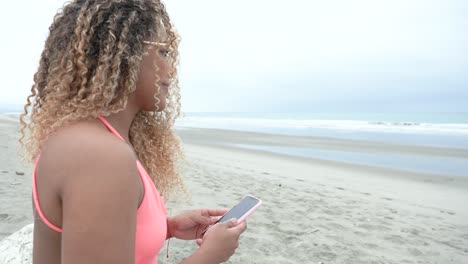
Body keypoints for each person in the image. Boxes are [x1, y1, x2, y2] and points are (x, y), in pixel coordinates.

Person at [19, 0, 247, 263]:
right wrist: (208, 256)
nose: (171, 70)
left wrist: (166, 227)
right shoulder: (98, 154)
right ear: (123, 55)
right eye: (163, 52)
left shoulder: (88, 139)